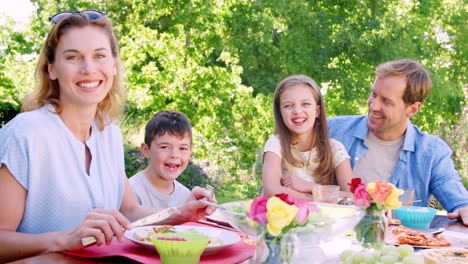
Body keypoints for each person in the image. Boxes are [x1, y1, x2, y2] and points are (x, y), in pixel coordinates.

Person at [0, 10, 215, 262]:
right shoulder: (25, 134)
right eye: (72, 57)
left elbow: (128, 210)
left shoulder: (108, 131)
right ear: (52, 69)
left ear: (113, 65)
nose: (89, 68)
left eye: (99, 56)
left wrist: (180, 212)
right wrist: (66, 239)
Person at [328, 59, 468, 225]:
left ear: (413, 109)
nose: (373, 106)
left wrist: (464, 207)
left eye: (386, 101)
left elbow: (458, 199)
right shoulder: (333, 130)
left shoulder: (431, 152)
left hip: (400, 246)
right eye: (373, 94)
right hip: (337, 240)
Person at [262, 74, 353, 201]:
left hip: (321, 220)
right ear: (280, 112)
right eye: (288, 106)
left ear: (317, 111)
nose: (297, 111)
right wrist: (319, 199)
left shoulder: (334, 148)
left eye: (305, 104)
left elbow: (353, 197)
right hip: (283, 218)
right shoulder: (276, 144)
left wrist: (312, 187)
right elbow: (271, 190)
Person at [129, 110, 193, 208]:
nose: (175, 155)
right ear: (146, 150)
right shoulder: (131, 193)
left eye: (183, 148)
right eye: (164, 147)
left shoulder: (186, 196)